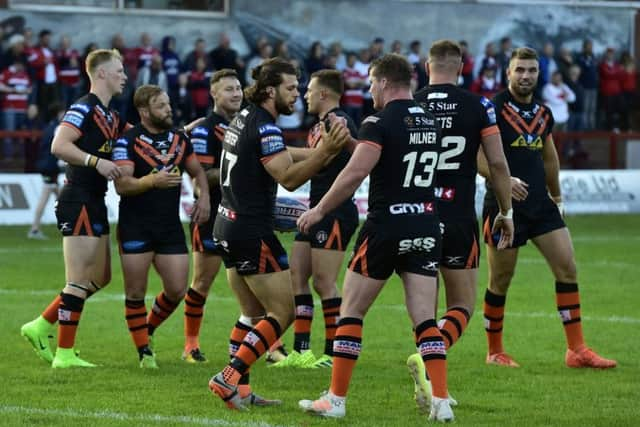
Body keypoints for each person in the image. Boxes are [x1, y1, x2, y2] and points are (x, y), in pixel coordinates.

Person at [297, 53, 453, 422]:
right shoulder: (430, 120)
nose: (369, 90)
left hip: (386, 226)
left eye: (370, 83)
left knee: (351, 311)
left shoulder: (379, 120)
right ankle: (442, 400)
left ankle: (335, 399)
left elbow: (355, 174)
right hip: (426, 225)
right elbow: (399, 158)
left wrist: (318, 211)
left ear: (384, 82)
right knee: (424, 320)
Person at [207, 57, 350, 410]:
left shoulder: (244, 119)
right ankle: (228, 377)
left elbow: (279, 153)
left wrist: (318, 152)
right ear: (271, 91)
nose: (297, 94)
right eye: (290, 88)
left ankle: (241, 392)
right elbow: (288, 177)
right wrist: (327, 153)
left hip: (226, 224)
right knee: (284, 312)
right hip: (251, 231)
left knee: (251, 314)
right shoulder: (266, 127)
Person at [478, 47, 617, 369]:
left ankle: (576, 349)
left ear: (538, 74)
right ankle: (494, 351)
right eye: (519, 70)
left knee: (567, 268)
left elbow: (549, 157)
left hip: (541, 205)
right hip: (504, 207)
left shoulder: (543, 113)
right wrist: (504, 179)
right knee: (501, 279)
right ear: (508, 72)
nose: (526, 76)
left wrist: (557, 197)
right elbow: (477, 156)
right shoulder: (491, 109)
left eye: (531, 71)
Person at [407, 39, 514, 411]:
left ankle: (437, 389)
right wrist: (505, 211)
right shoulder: (478, 105)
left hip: (415, 215)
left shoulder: (410, 102)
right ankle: (427, 367)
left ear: (426, 66)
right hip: (457, 216)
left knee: (425, 309)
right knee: (462, 304)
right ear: (462, 67)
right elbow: (497, 165)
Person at [20, 48, 128, 368]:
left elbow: (137, 139)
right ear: (101, 74)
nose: (124, 76)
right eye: (119, 71)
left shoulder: (112, 115)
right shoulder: (83, 108)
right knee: (78, 280)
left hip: (94, 198)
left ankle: (40, 325)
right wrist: (96, 162)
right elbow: (59, 145)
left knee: (101, 278)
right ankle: (64, 355)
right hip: (77, 197)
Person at [112, 84, 210, 368]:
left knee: (178, 289)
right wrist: (151, 181)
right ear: (144, 111)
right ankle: (144, 352)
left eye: (168, 104)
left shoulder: (179, 139)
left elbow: (197, 172)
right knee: (135, 293)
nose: (169, 109)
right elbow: (122, 185)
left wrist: (202, 198)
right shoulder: (127, 141)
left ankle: (148, 329)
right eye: (161, 105)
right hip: (135, 226)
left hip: (169, 227)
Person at [271, 69, 359, 369]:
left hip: (334, 211)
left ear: (324, 94)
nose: (304, 95)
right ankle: (301, 350)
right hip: (315, 210)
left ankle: (333, 353)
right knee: (297, 274)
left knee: (325, 283)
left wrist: (276, 148)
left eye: (309, 89)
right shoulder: (323, 123)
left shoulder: (338, 122)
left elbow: (317, 156)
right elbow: (315, 154)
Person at [181, 69, 243, 363]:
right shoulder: (205, 129)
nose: (236, 93)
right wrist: (243, 167)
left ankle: (271, 346)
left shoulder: (246, 126)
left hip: (244, 216)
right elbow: (201, 175)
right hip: (213, 214)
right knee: (202, 282)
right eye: (229, 89)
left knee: (254, 281)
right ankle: (190, 345)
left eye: (238, 88)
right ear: (214, 94)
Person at [28, 103, 65, 240]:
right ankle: (34, 229)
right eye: (63, 112)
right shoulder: (58, 128)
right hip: (50, 167)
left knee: (62, 197)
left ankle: (68, 224)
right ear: (58, 114)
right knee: (45, 197)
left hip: (46, 165)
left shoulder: (50, 126)